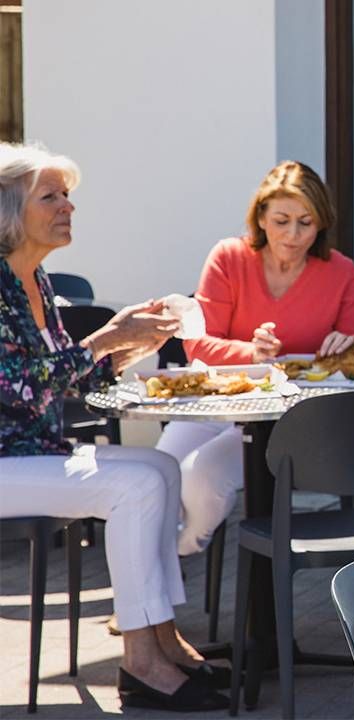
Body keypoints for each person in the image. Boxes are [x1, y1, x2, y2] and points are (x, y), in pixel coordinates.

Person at [0, 142, 229, 711]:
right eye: (49, 196)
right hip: (6, 460)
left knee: (159, 465)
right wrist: (107, 336)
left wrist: (132, 345)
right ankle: (140, 661)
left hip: (34, 451)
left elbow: (65, 382)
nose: (67, 207)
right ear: (7, 210)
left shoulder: (37, 280)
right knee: (135, 485)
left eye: (68, 196)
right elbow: (21, 388)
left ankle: (160, 633)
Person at [155, 161, 354, 556]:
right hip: (214, 406)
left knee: (199, 478)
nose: (293, 234)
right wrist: (252, 355)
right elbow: (198, 344)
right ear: (260, 217)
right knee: (158, 472)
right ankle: (150, 596)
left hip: (285, 424)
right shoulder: (228, 257)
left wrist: (348, 345)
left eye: (306, 223)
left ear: (321, 223)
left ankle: (179, 551)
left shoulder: (339, 271)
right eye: (282, 220)